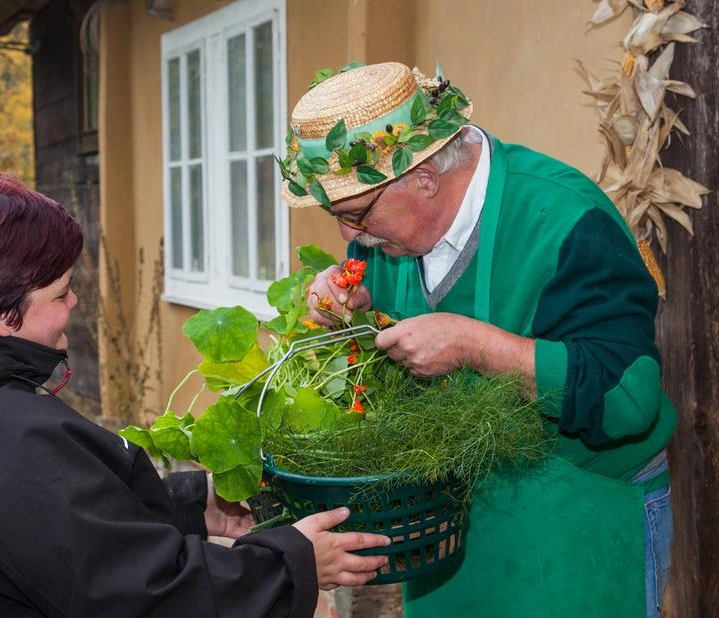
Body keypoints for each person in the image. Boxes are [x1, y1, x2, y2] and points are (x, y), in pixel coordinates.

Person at [0, 173, 390, 617]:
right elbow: (138, 594)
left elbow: (51, 533)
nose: (75, 304)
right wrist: (291, 565)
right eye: (60, 294)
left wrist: (191, 504)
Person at [282, 62, 676, 617]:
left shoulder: (564, 217)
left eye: (355, 214)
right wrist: (351, 306)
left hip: (579, 514)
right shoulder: (382, 232)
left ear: (423, 176)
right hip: (450, 518)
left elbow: (628, 399)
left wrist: (477, 346)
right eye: (334, 216)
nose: (349, 236)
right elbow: (374, 302)